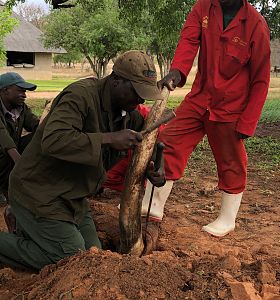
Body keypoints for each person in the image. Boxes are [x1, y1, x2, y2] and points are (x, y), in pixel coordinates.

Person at [0, 50, 165, 270]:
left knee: (93, 258)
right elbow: (55, 140)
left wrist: (156, 167)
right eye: (136, 91)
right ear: (116, 80)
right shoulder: (80, 96)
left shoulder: (128, 113)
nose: (141, 99)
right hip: (38, 192)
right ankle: (21, 235)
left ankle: (31, 234)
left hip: (75, 198)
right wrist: (108, 139)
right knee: (70, 259)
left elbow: (145, 143)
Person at [141, 0, 271, 237]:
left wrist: (248, 121)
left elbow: (261, 78)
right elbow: (189, 41)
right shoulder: (203, 8)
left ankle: (227, 219)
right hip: (200, 97)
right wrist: (177, 71)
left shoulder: (256, 25)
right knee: (169, 139)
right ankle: (153, 205)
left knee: (231, 159)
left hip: (230, 107)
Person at [0, 72, 39, 232]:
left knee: (38, 139)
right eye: (20, 90)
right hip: (4, 150)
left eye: (25, 92)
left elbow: (36, 126)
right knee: (6, 152)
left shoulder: (21, 108)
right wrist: (22, 165)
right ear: (5, 90)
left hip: (10, 151)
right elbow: (3, 138)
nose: (24, 95)